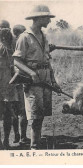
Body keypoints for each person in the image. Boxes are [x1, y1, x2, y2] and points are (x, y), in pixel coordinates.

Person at [12, 5, 61, 150]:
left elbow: (47, 61)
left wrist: (54, 81)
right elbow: (17, 61)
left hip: (45, 80)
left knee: (41, 114)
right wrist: (32, 73)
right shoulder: (24, 37)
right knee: (34, 116)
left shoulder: (44, 36)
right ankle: (34, 148)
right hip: (33, 82)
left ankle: (37, 143)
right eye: (47, 18)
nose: (49, 21)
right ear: (39, 18)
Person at [0, 20, 19, 149]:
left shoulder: (14, 43)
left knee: (8, 114)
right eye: (2, 28)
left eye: (6, 28)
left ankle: (6, 140)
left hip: (9, 84)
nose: (4, 31)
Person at [11, 24, 29, 144]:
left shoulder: (8, 44)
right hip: (20, 80)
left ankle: (16, 135)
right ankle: (22, 137)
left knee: (13, 112)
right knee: (23, 111)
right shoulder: (21, 44)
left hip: (10, 83)